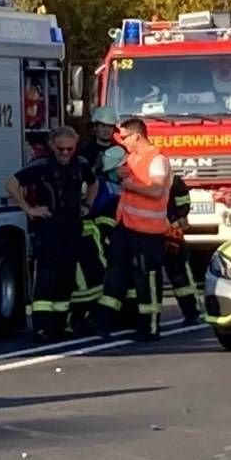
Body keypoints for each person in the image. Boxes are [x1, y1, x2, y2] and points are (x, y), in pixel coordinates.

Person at [6, 127, 94, 339]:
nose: (65, 153)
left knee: (66, 278)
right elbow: (11, 183)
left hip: (72, 227)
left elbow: (93, 183)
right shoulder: (42, 165)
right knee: (45, 278)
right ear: (53, 145)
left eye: (69, 149)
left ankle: (61, 325)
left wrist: (87, 205)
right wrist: (29, 208)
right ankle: (42, 327)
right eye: (61, 149)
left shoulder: (81, 164)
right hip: (49, 228)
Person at [92, 117, 172, 341]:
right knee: (115, 276)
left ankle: (150, 327)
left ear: (137, 136)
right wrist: (115, 175)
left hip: (148, 232)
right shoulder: (132, 157)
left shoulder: (157, 160)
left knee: (146, 280)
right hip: (125, 228)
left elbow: (156, 191)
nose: (121, 141)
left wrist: (129, 185)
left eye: (125, 137)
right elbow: (112, 174)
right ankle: (104, 324)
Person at [71, 107, 125, 324]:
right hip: (91, 213)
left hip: (116, 210)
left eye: (109, 127)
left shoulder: (121, 151)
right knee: (94, 260)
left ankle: (117, 309)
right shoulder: (85, 152)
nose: (105, 131)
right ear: (95, 128)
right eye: (101, 126)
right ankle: (91, 310)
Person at [160, 173, 202, 325]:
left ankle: (191, 313)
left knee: (180, 275)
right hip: (152, 234)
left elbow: (184, 207)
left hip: (170, 234)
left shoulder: (174, 181)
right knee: (157, 277)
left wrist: (177, 223)